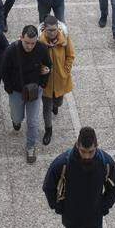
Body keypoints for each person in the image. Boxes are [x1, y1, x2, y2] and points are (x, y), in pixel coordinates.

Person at [1, 24, 52, 164]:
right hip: (16, 91)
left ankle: (31, 146)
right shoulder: (11, 50)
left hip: (35, 90)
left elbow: (48, 65)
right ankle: (16, 123)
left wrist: (43, 83)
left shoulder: (41, 48)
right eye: (27, 43)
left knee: (33, 121)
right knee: (17, 117)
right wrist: (9, 88)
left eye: (33, 43)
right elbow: (4, 69)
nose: (30, 46)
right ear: (21, 38)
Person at [38, 15, 75, 145]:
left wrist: (66, 70)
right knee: (46, 108)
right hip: (46, 83)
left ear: (57, 28)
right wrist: (41, 69)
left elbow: (70, 55)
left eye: (54, 30)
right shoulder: (39, 42)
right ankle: (48, 130)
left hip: (60, 80)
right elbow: (35, 59)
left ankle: (56, 104)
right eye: (49, 30)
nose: (52, 33)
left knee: (58, 102)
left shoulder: (64, 38)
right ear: (45, 29)